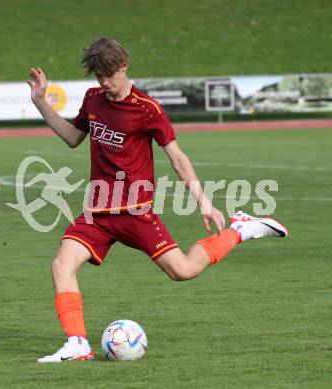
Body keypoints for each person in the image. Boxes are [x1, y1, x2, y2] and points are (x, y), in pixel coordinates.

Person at [26, 37, 288, 363]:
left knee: (183, 270)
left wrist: (204, 203)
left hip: (135, 212)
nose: (104, 82)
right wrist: (40, 102)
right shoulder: (94, 99)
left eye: (109, 74)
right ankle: (78, 343)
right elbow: (72, 137)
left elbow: (177, 157)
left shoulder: (147, 109)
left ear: (123, 66)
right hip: (98, 212)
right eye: (98, 76)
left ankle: (239, 230)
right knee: (61, 264)